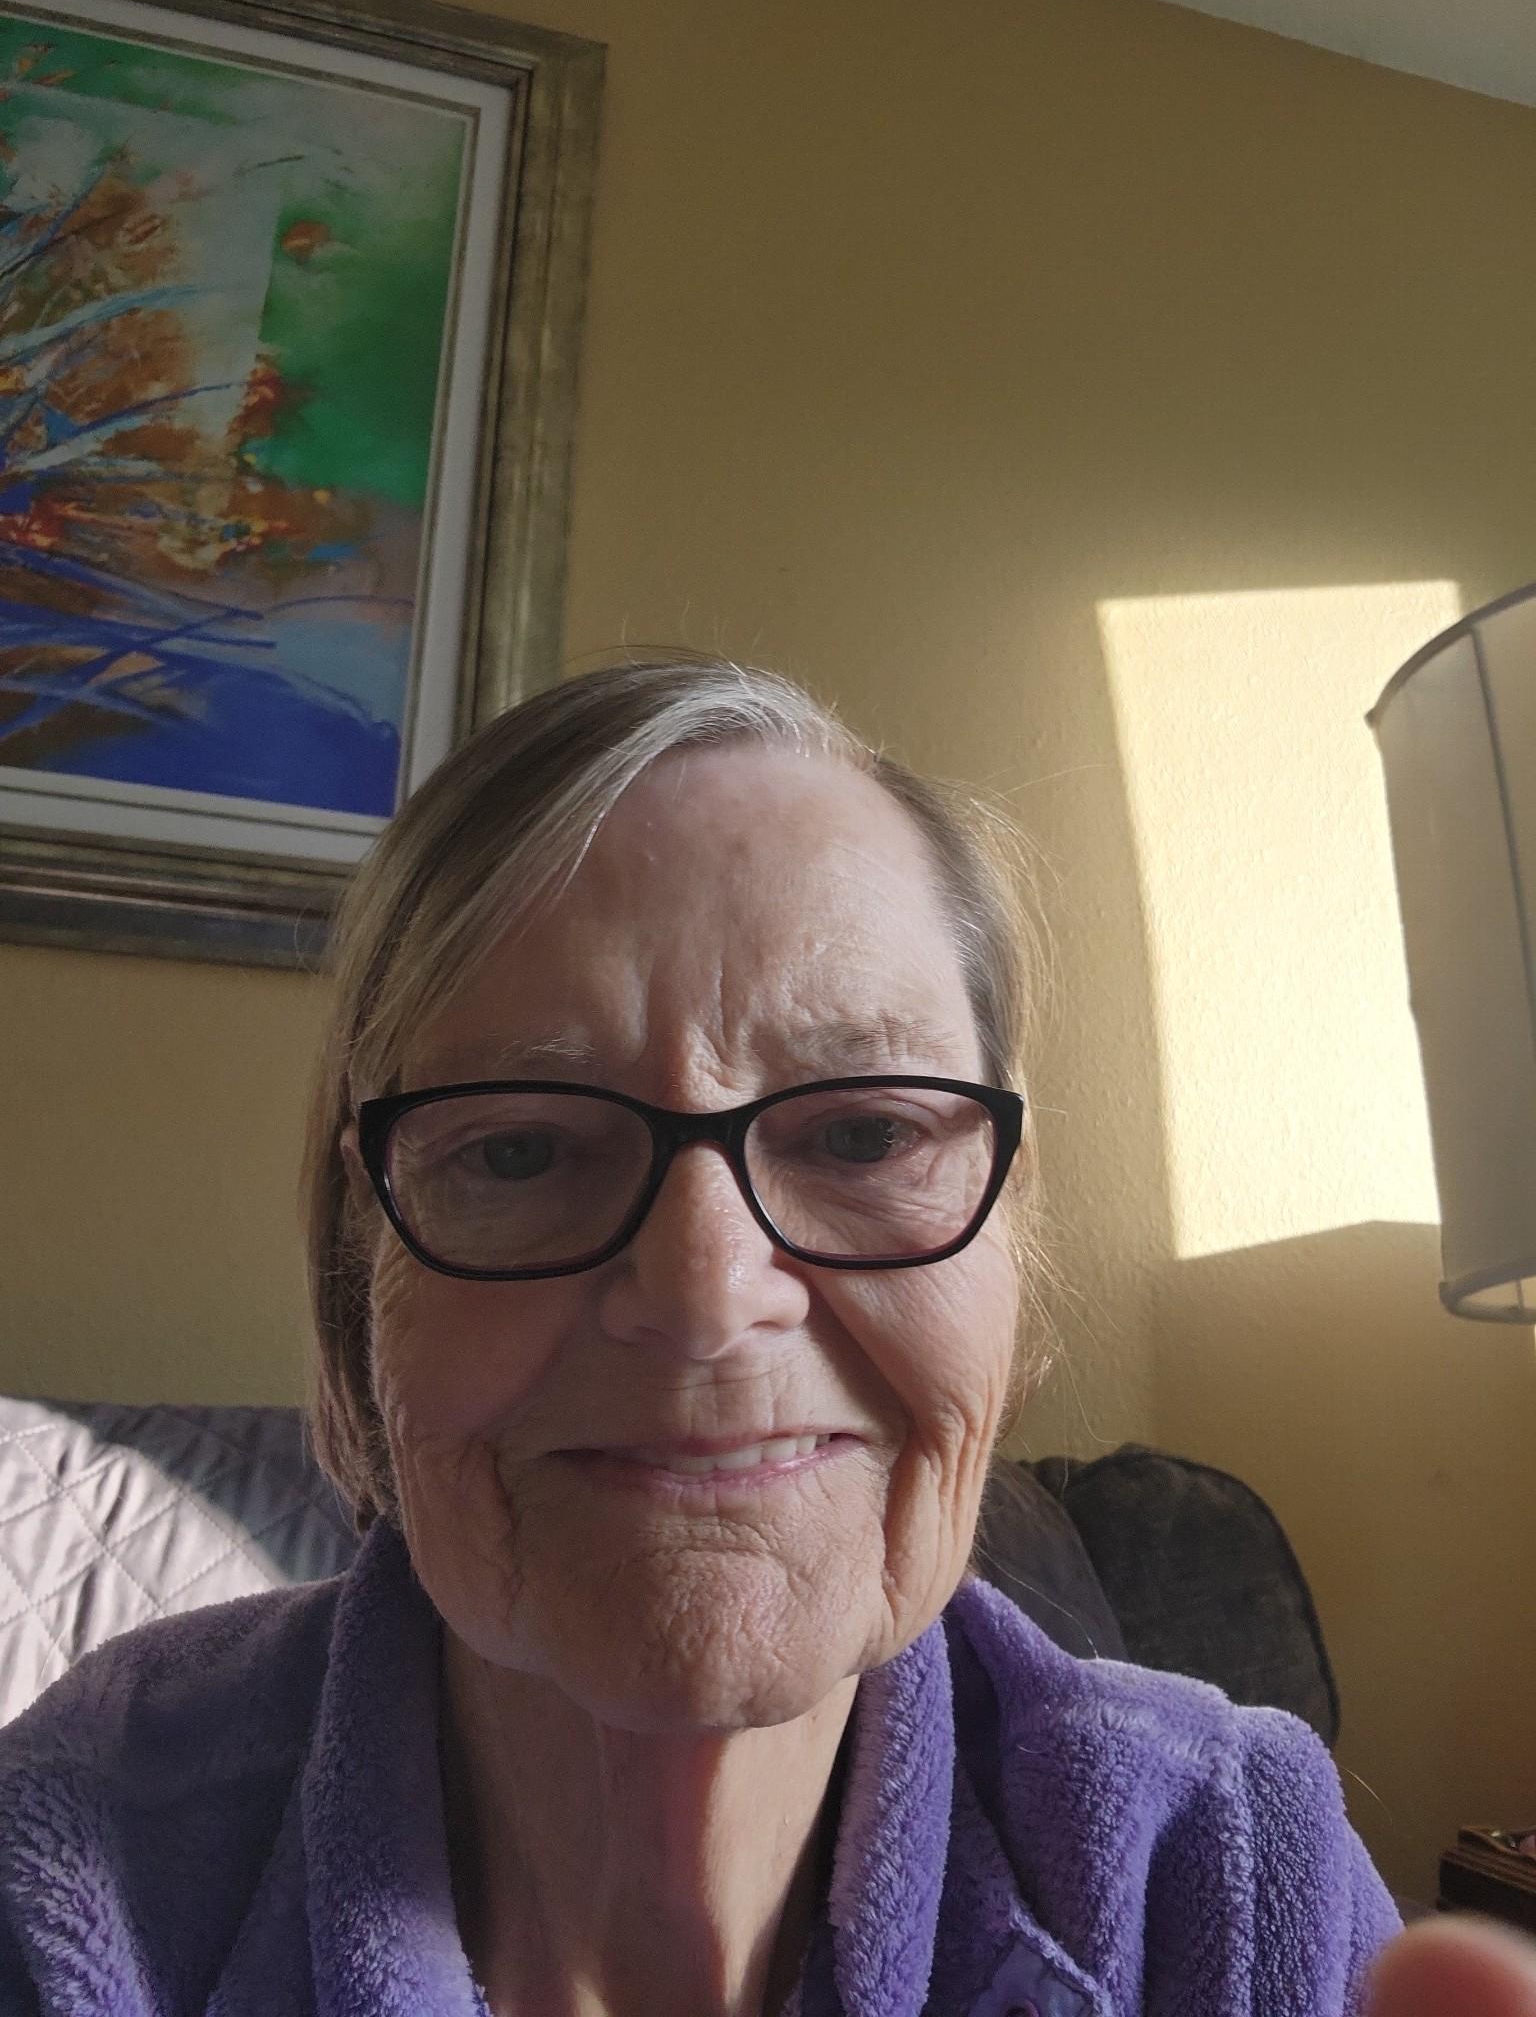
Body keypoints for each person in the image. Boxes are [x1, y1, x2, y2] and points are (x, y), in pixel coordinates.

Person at [0, 656, 1526, 2015]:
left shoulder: (1225, 1868)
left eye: (865, 1134)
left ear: (1012, 1240)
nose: (705, 1293)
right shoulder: (71, 1877)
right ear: (361, 1275)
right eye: (519, 1150)